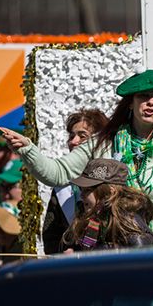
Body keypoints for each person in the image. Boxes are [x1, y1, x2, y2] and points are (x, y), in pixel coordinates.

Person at [2, 70, 153, 233]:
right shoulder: (102, 143)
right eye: (143, 96)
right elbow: (57, 173)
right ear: (131, 103)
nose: (151, 102)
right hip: (112, 245)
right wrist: (27, 148)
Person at [42, 108, 109, 253]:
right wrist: (65, 252)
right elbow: (51, 236)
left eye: (82, 136)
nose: (74, 142)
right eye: (71, 136)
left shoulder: (113, 184)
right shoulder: (62, 188)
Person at [62, 159, 153, 251]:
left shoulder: (128, 219)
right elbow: (87, 250)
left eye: (88, 190)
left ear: (110, 192)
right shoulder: (94, 218)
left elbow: (141, 255)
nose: (81, 196)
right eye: (81, 190)